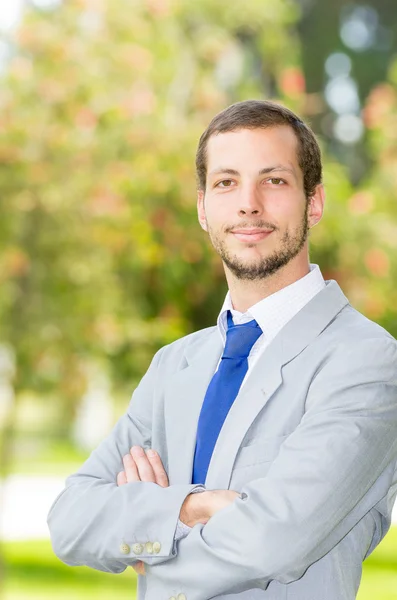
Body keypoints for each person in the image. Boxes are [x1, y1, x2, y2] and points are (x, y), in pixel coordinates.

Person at [47, 100, 397, 600]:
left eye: (273, 181)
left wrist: (146, 537)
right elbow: (70, 522)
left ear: (313, 202)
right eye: (226, 182)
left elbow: (272, 542)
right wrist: (191, 508)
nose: (248, 204)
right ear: (203, 209)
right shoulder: (174, 365)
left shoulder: (365, 361)